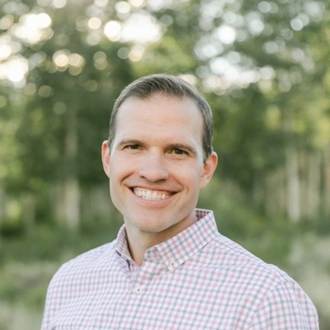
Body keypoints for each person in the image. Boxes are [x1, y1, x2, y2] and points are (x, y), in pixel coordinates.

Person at [41, 74, 319, 329]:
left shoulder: (266, 299)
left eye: (177, 151)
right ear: (107, 158)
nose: (153, 172)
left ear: (206, 168)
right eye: (134, 146)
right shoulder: (70, 281)